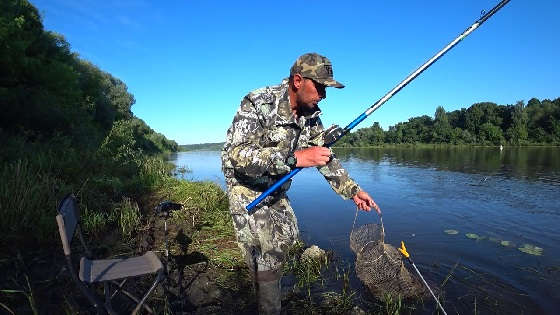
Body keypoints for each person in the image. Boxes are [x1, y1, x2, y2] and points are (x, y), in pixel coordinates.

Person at [221, 52, 381, 314]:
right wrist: (294, 158)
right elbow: (238, 156)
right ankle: (268, 305)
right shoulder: (258, 102)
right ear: (298, 81)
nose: (323, 95)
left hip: (276, 188)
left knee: (287, 234)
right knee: (265, 250)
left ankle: (267, 284)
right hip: (246, 189)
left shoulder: (311, 117)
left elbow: (323, 157)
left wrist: (353, 191)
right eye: (319, 88)